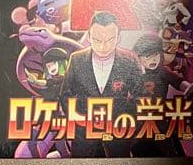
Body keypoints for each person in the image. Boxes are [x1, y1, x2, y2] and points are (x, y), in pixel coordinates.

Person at [60, 11, 140, 156]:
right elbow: (65, 95)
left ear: (118, 38)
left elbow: (139, 96)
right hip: (84, 135)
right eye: (97, 40)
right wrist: (79, 119)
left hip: (118, 132)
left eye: (110, 39)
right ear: (89, 37)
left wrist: (127, 121)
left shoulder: (130, 60)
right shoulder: (76, 59)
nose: (103, 46)